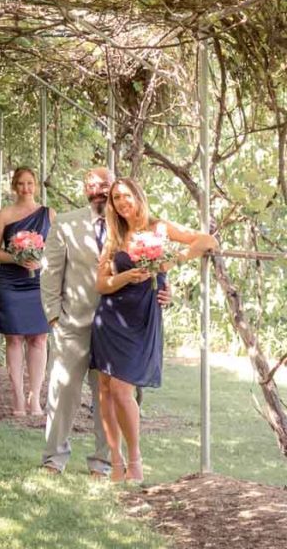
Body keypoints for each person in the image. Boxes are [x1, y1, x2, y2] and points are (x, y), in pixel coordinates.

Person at [92, 177, 217, 483]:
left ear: (138, 196)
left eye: (127, 196)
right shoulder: (114, 236)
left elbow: (206, 241)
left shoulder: (159, 228)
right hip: (110, 317)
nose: (122, 202)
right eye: (116, 198)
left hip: (142, 317)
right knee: (105, 389)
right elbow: (101, 284)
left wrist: (170, 263)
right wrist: (126, 277)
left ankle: (135, 461)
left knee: (122, 389)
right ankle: (115, 461)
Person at [0, 167, 54, 416]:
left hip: (39, 283)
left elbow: (56, 250)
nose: (26, 188)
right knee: (14, 338)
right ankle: (17, 397)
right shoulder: (4, 214)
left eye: (30, 183)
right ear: (14, 186)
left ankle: (35, 397)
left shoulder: (49, 214)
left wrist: (40, 261)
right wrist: (17, 257)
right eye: (21, 184)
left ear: (36, 185)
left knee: (39, 338)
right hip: (10, 283)